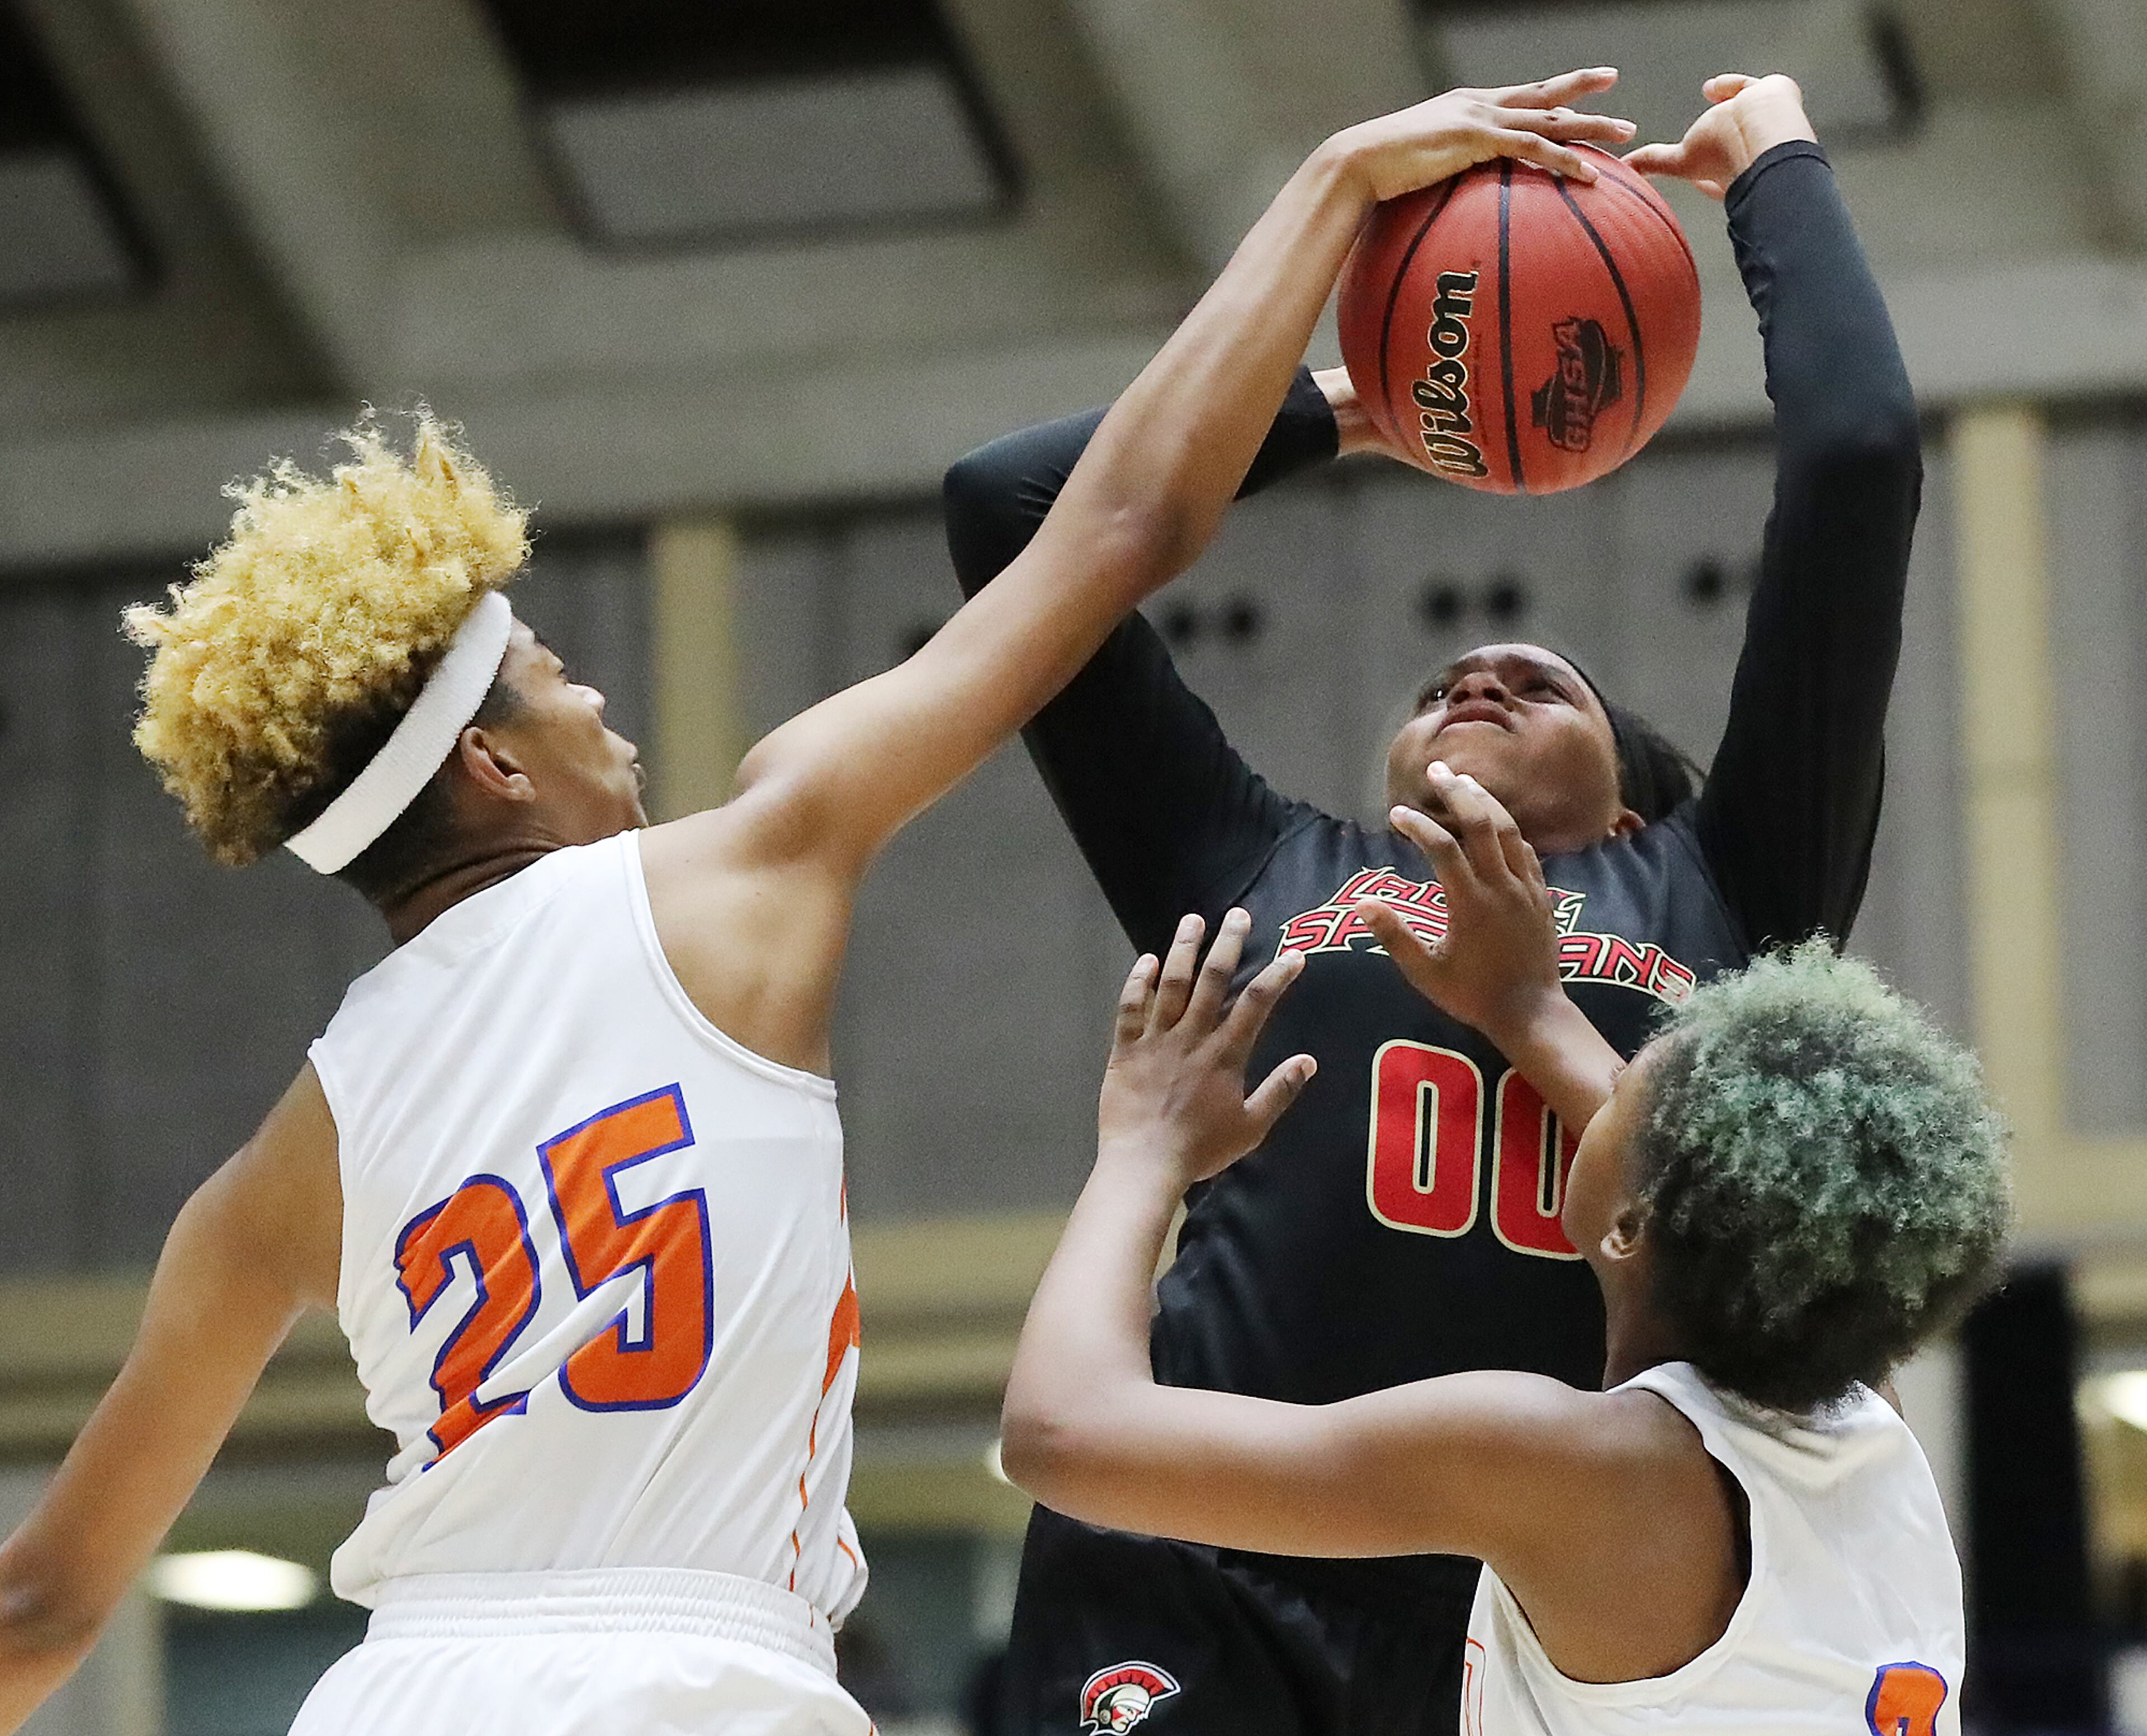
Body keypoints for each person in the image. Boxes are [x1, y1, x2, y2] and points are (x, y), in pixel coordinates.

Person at [0, 69, 1635, 1736]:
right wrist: (1337, 194)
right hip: (689, 1679)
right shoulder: (743, 863)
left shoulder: (283, 1165)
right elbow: (1112, 530)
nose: (602, 713)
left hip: (402, 1686)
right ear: (493, 768)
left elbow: (42, 1602)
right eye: (558, 684)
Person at [942, 72, 1921, 1736]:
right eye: (1449, 681)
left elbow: (1858, 461)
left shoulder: (1725, 885)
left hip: (1526, 1586)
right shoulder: (1258, 868)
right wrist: (1367, 401)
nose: (1480, 671)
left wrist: (1776, 169)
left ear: (1623, 802)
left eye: (1544, 681)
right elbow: (1010, 508)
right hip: (1197, 1552)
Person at [999, 770, 2009, 1736]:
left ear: (1632, 1222)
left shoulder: (1589, 1468)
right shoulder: (1868, 1426)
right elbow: (1724, 1185)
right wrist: (1528, 1008)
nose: (1603, 1083)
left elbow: (1064, 1434)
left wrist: (1143, 1151)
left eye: (1628, 1086)